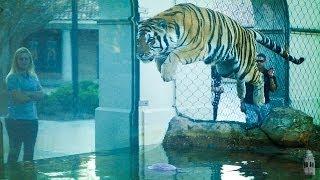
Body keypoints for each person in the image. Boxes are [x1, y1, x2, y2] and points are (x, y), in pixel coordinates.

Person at [5, 47, 45, 163]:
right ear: (16, 61)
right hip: (15, 120)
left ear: (30, 61)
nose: (24, 61)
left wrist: (26, 93)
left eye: (26, 59)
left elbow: (42, 95)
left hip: (32, 120)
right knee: (14, 153)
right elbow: (19, 98)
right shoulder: (12, 78)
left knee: (29, 153)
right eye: (21, 59)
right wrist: (33, 95)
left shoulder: (33, 77)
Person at [241, 53, 278, 129]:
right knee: (251, 125)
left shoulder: (268, 74)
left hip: (264, 104)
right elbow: (243, 89)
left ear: (264, 61)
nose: (258, 62)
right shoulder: (248, 73)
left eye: (261, 61)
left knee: (265, 126)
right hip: (250, 103)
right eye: (256, 61)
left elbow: (273, 89)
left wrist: (270, 77)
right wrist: (242, 102)